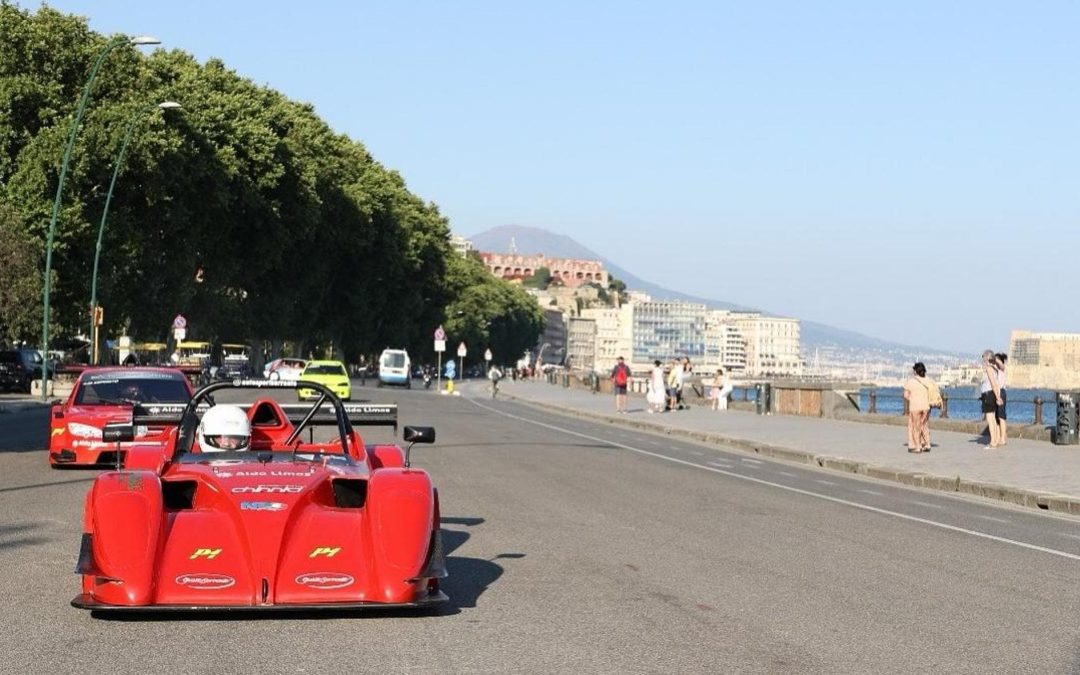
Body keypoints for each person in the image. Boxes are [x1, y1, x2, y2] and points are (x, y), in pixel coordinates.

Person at [902, 362, 932, 453]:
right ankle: (927, 444)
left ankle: (918, 446)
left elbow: (905, 395)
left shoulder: (911, 381)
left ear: (915, 371)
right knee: (924, 425)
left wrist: (912, 398)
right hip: (926, 406)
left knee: (916, 427)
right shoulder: (928, 380)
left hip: (915, 407)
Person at [979, 349, 1004, 448]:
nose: (983, 361)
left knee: (990, 419)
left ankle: (993, 441)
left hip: (988, 395)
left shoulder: (989, 369)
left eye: (984, 358)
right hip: (991, 394)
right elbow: (996, 384)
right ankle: (995, 440)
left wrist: (998, 397)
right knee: (993, 418)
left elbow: (993, 384)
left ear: (987, 359)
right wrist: (997, 396)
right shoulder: (994, 369)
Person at [995, 352, 1008, 446]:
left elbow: (1001, 365)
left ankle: (1003, 438)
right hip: (996, 393)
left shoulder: (1001, 369)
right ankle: (999, 436)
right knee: (996, 417)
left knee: (1001, 416)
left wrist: (995, 359)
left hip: (1001, 392)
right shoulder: (995, 370)